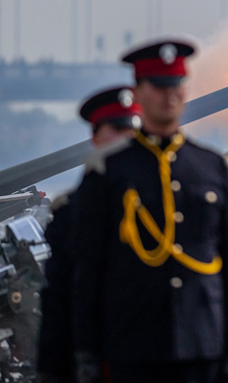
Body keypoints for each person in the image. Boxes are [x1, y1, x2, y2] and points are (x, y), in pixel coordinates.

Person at [71, 40, 228, 383]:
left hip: (202, 342)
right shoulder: (107, 172)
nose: (170, 96)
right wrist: (87, 350)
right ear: (138, 92)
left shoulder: (212, 167)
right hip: (134, 342)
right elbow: (89, 269)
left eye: (177, 85)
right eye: (159, 86)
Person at [37, 85, 142, 383]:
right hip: (104, 347)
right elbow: (60, 294)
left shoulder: (172, 201)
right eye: (117, 130)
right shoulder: (72, 211)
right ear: (96, 137)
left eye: (132, 131)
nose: (126, 140)